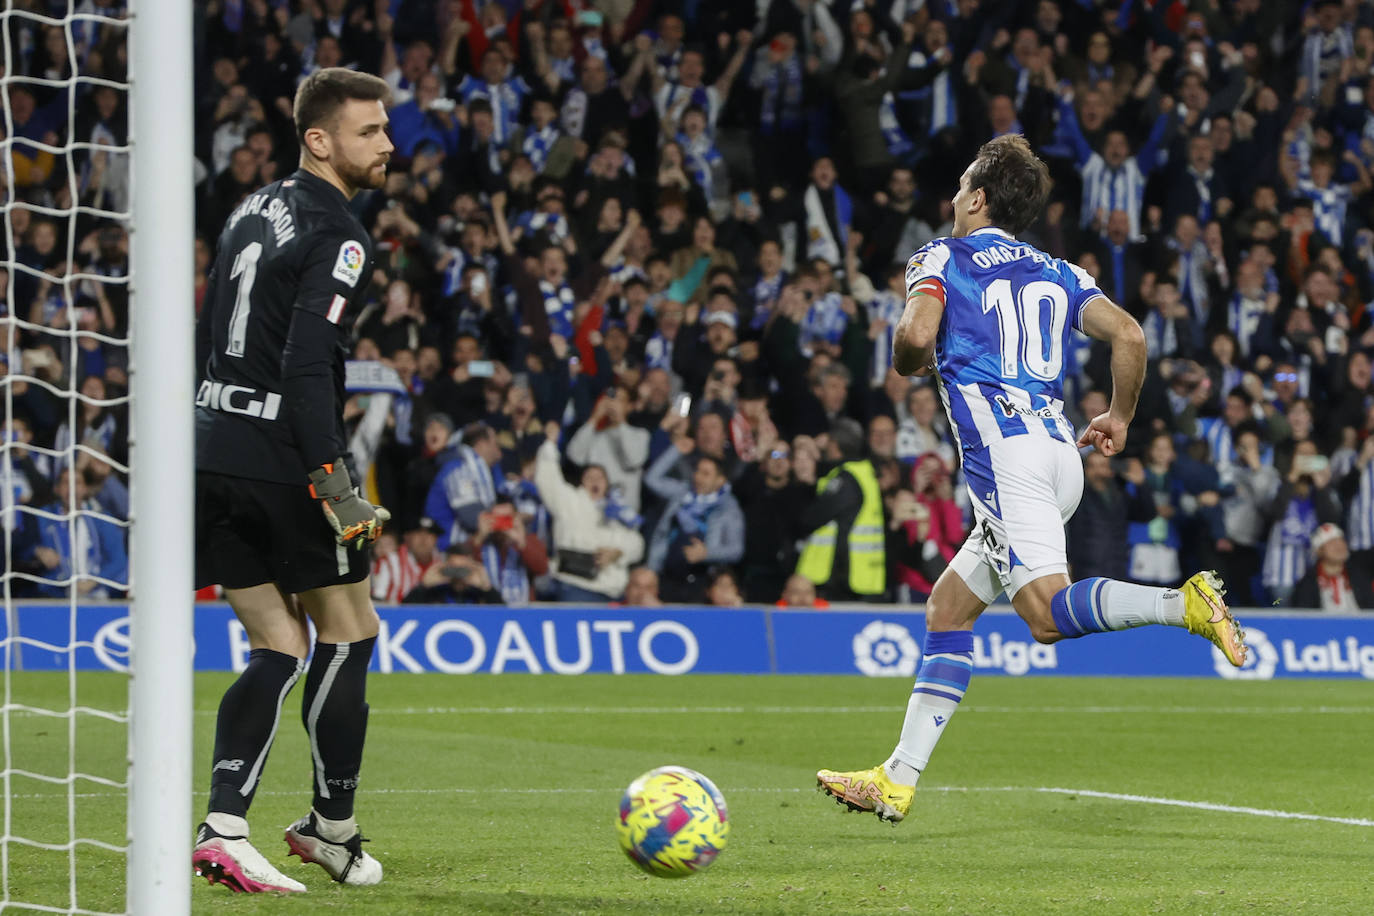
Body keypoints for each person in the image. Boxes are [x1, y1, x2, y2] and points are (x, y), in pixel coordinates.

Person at [817, 135, 1247, 826]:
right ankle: (896, 778)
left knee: (1045, 617)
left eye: (961, 186)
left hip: (1007, 458)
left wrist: (904, 358)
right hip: (1059, 455)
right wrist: (1120, 418)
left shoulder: (939, 256)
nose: (953, 198)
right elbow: (1131, 336)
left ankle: (1184, 604)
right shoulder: (1060, 269)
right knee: (948, 611)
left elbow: (917, 341)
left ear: (979, 198)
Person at [191, 69, 392, 892]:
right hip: (281, 454)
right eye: (371, 131)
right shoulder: (340, 232)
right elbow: (308, 364)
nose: (388, 145)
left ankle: (224, 824)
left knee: (277, 642)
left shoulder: (251, 207)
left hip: (211, 444)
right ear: (321, 139)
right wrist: (335, 481)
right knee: (350, 631)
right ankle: (331, 829)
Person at [534, 426, 645, 602]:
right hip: (575, 586)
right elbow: (547, 479)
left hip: (612, 591)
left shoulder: (619, 510)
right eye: (589, 478)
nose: (595, 481)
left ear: (607, 484)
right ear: (581, 484)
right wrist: (550, 445)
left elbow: (638, 544)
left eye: (600, 478)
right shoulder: (569, 501)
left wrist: (619, 553)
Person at [794, 419, 887, 602]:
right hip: (862, 576)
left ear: (834, 445)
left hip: (844, 578)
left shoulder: (846, 479)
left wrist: (805, 486)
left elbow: (811, 518)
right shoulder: (864, 472)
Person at [1290, 524, 1374, 611]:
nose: (1339, 546)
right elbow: (1304, 616)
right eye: (1331, 543)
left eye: (1341, 540)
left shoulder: (1360, 572)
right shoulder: (1308, 583)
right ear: (1319, 551)